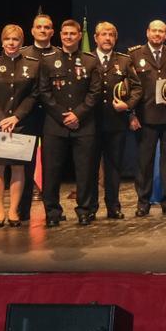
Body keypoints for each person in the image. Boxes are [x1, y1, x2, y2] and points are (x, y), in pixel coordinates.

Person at [37, 19, 102, 226]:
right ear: (60, 35)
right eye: (65, 33)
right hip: (55, 125)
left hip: (84, 125)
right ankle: (52, 213)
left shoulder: (91, 61)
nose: (68, 37)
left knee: (85, 171)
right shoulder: (48, 60)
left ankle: (84, 210)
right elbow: (44, 92)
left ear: (79, 36)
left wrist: (78, 114)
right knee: (52, 171)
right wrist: (64, 115)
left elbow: (95, 92)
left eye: (72, 34)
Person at [0, 24, 40, 227]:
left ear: (21, 42)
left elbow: (34, 95)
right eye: (8, 39)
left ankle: (14, 211)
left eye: (15, 39)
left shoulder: (33, 64)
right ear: (2, 41)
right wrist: (0, 119)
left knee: (18, 169)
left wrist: (16, 117)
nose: (11, 43)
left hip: (21, 125)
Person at [127, 20, 166, 216]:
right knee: (145, 162)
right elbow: (128, 86)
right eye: (154, 31)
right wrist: (131, 114)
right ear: (147, 32)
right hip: (145, 117)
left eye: (161, 31)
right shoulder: (134, 54)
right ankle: (143, 201)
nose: (157, 34)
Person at [93, 21, 140, 219]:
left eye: (111, 34)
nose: (107, 38)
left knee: (114, 167)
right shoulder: (86, 59)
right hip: (90, 123)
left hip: (116, 122)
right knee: (89, 167)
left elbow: (137, 88)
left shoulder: (123, 60)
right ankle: (88, 208)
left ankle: (113, 206)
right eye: (104, 34)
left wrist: (128, 106)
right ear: (96, 37)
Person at [15, 13, 59, 225]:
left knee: (52, 166)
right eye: (39, 27)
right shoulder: (21, 54)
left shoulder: (60, 55)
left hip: (53, 118)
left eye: (47, 27)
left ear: (52, 31)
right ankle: (22, 210)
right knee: (24, 165)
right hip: (27, 117)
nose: (43, 30)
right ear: (32, 31)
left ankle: (53, 211)